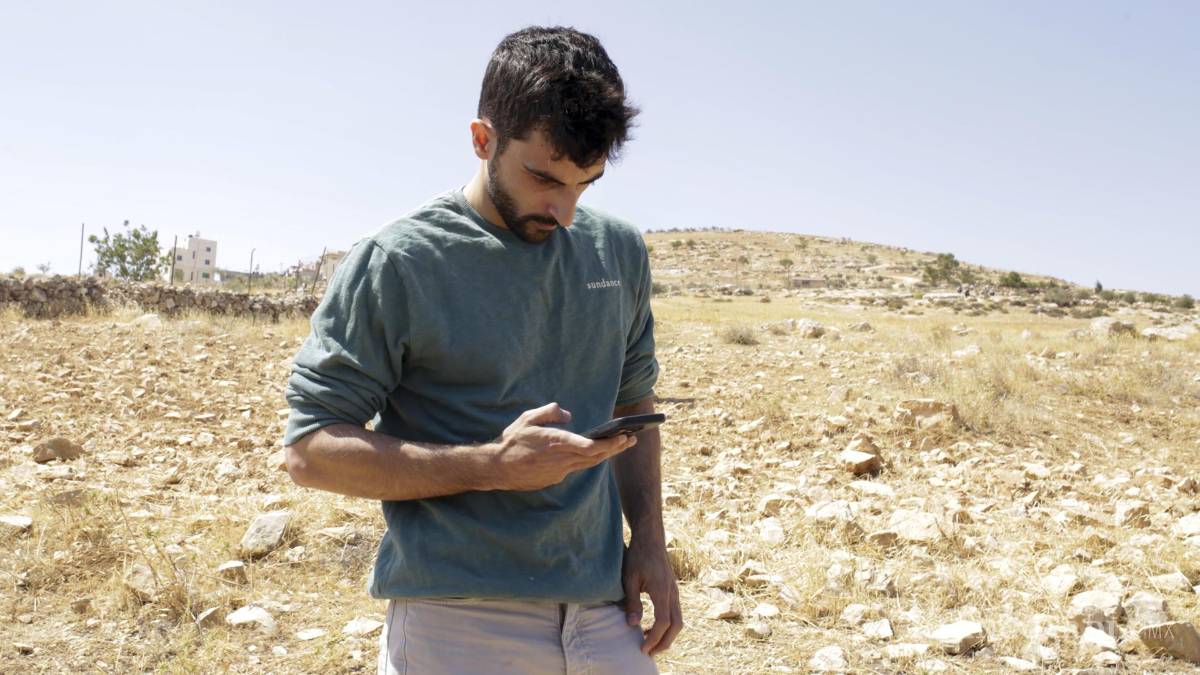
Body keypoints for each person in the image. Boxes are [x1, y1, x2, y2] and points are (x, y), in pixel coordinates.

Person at [282, 25, 682, 674]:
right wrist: (493, 466)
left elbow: (634, 403)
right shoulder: (398, 262)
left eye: (585, 184)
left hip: (606, 612)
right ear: (482, 140)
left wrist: (652, 544)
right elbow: (310, 452)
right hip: (455, 618)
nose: (565, 212)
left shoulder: (618, 251)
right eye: (543, 177)